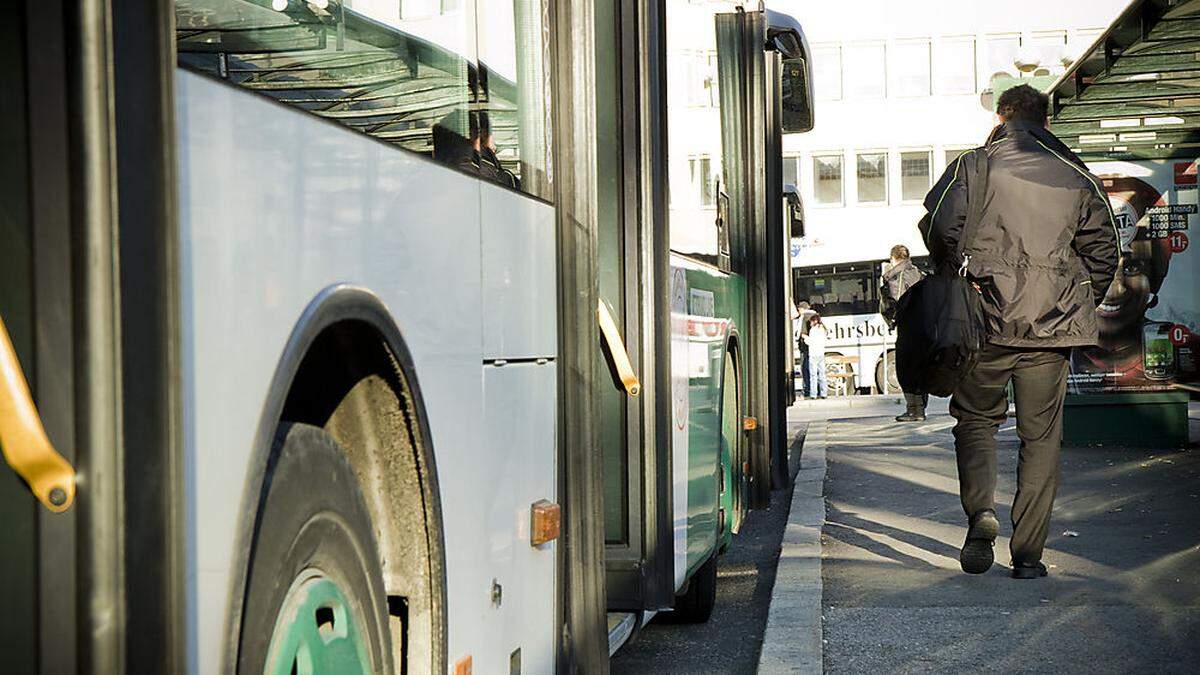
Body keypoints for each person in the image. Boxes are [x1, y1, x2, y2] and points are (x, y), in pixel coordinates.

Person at [920, 84, 1118, 579]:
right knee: (1042, 438)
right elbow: (1104, 249)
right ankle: (1028, 555)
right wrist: (1071, 297)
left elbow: (939, 225)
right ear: (1045, 122)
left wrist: (963, 274)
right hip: (1050, 333)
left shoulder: (975, 165)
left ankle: (980, 514)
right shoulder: (1076, 175)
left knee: (976, 420)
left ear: (1003, 116)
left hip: (982, 323)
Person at [880, 244, 927, 420]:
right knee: (919, 369)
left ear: (893, 258)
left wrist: (891, 320)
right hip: (923, 328)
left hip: (907, 328)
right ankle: (920, 410)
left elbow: (893, 302)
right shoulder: (920, 273)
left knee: (905, 369)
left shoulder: (896, 277)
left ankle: (913, 409)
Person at [802, 314, 829, 399]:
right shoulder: (823, 329)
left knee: (813, 375)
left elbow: (811, 342)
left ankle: (813, 394)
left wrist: (805, 337)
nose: (810, 323)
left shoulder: (813, 330)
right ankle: (824, 393)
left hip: (813, 355)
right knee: (822, 375)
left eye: (811, 321)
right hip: (821, 354)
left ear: (814, 321)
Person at [795, 301, 816, 397]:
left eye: (798, 309)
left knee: (805, 368)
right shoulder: (815, 315)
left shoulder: (803, 317)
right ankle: (816, 390)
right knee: (814, 369)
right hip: (815, 347)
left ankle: (807, 390)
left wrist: (798, 337)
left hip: (805, 347)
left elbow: (800, 333)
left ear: (802, 309)